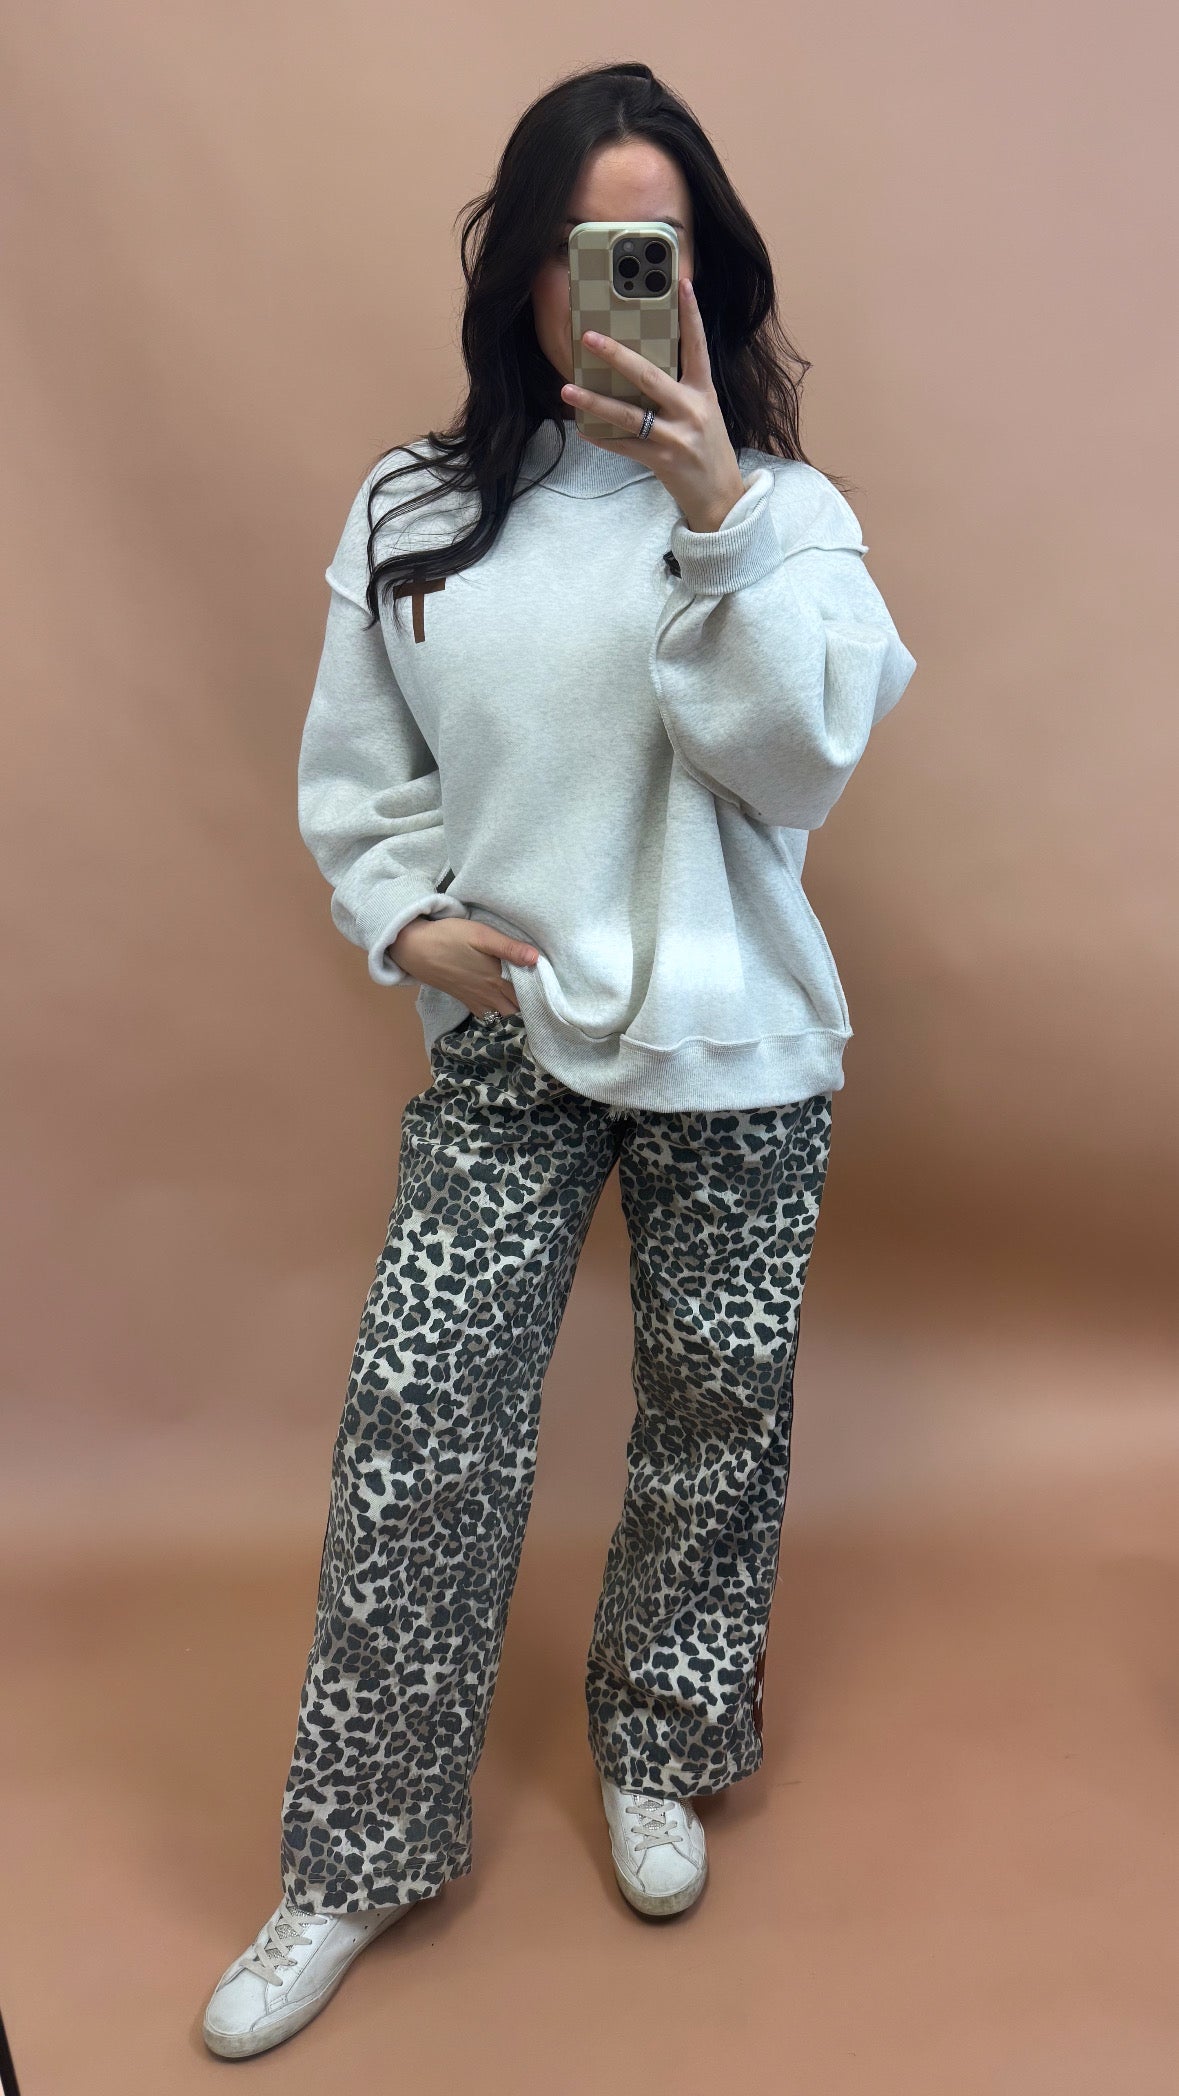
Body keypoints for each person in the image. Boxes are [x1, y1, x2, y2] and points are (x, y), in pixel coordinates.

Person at [202, 58, 916, 2059]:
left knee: (715, 1415)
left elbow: (797, 765)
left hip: (737, 1046)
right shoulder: (412, 508)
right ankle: (354, 1852)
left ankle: (659, 1747)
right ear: (523, 270)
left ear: (704, 276)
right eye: (585, 247)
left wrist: (711, 515)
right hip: (514, 1046)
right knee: (421, 1424)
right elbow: (359, 778)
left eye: (655, 250)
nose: (617, 283)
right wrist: (400, 917)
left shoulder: (787, 518)